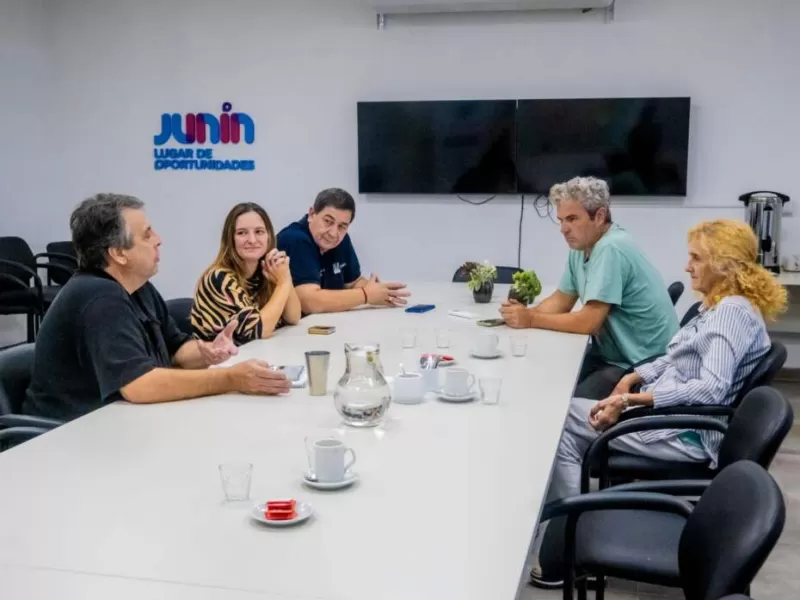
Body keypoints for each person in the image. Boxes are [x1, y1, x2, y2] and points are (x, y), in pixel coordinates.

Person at [530, 218, 787, 588]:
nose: (687, 266)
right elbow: (676, 355)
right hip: (671, 418)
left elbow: (711, 390)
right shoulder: (719, 306)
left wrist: (636, 398)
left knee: (560, 425)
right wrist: (635, 377)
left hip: (684, 433)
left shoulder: (730, 314)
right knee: (571, 416)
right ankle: (566, 540)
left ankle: (565, 555)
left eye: (696, 258)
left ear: (724, 264)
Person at [24, 194, 290, 422]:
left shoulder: (138, 287)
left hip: (121, 421)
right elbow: (140, 385)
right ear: (119, 253)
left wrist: (206, 352)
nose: (158, 240)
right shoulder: (98, 297)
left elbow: (176, 349)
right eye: (147, 234)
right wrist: (232, 379)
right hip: (69, 437)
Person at [500, 176, 678, 399]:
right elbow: (561, 301)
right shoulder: (582, 247)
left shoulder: (611, 248)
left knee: (561, 405)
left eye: (572, 219)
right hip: (612, 356)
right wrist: (521, 315)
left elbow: (588, 322)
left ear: (600, 216)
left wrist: (531, 319)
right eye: (561, 220)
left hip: (640, 366)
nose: (564, 229)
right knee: (545, 381)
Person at [276, 187, 410, 314]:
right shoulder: (295, 239)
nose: (334, 233)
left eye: (342, 226)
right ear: (312, 214)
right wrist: (366, 294)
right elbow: (309, 302)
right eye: (328, 221)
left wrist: (381, 292)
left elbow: (352, 283)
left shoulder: (341, 240)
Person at [191, 202, 301, 345]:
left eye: (259, 232)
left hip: (257, 355)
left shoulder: (266, 270)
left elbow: (293, 317)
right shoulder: (219, 278)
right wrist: (283, 283)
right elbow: (259, 330)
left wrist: (285, 275)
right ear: (230, 239)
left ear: (269, 236)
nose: (252, 240)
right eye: (242, 233)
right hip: (224, 363)